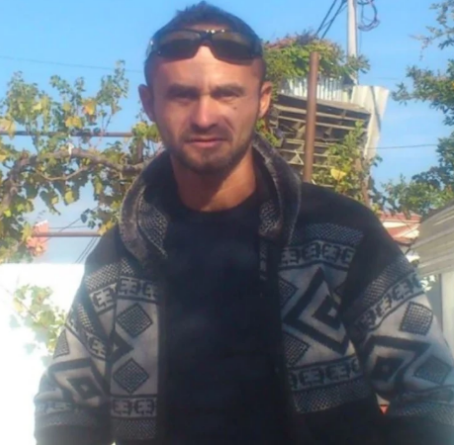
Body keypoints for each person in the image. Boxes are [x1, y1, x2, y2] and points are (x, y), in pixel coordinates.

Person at [33, 2, 454, 444]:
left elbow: (433, 390)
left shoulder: (339, 235)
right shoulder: (121, 257)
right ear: (149, 103)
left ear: (262, 100)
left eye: (227, 94)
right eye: (182, 95)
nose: (204, 117)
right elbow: (64, 404)